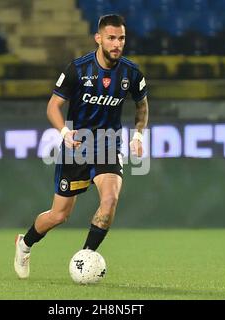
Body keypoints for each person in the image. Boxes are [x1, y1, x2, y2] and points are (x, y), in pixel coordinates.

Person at [14, 14, 149, 279]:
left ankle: (86, 255)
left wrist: (139, 135)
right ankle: (25, 243)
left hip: (109, 146)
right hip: (76, 146)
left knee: (109, 201)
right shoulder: (77, 69)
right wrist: (64, 131)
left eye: (121, 38)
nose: (117, 44)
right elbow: (53, 106)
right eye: (111, 38)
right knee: (58, 215)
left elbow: (142, 106)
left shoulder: (131, 73)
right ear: (98, 38)